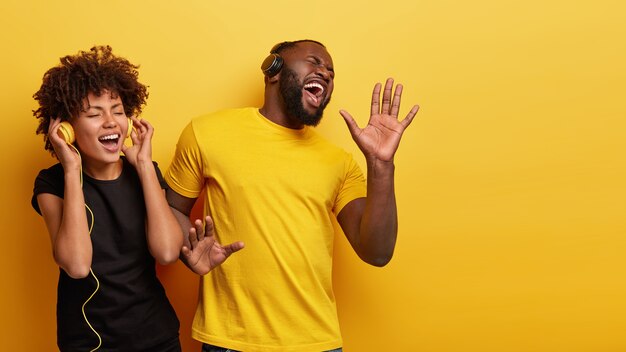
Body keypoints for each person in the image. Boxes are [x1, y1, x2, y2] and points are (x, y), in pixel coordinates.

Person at [165, 39, 419, 352]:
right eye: (315, 62)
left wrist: (381, 165)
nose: (325, 74)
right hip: (230, 341)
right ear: (273, 69)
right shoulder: (206, 133)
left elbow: (377, 252)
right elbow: (172, 210)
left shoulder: (338, 162)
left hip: (316, 343)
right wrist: (188, 250)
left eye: (331, 72)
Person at [31, 45, 239, 351]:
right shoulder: (53, 183)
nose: (111, 122)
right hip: (87, 343)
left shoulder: (145, 172)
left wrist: (143, 165)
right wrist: (72, 169)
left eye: (118, 111)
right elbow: (76, 265)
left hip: (157, 338)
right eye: (94, 114)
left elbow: (167, 252)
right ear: (66, 129)